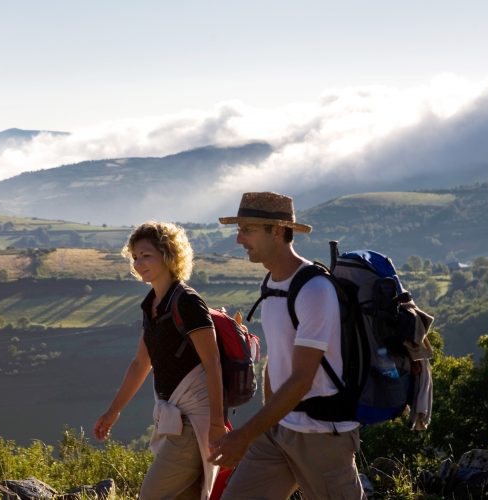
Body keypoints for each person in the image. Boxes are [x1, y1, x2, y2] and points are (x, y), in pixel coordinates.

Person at [208, 192, 365, 499]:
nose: (239, 239)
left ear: (278, 231)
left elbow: (302, 379)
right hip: (279, 430)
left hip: (321, 435)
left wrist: (245, 435)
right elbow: (276, 358)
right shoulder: (272, 284)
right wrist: (269, 422)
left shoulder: (314, 289)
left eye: (248, 230)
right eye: (239, 230)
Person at [93, 220, 227, 499]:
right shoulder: (152, 304)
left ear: (168, 255)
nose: (138, 263)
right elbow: (140, 364)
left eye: (146, 255)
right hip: (174, 421)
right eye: (135, 257)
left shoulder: (187, 302)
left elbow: (213, 363)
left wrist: (216, 425)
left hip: (193, 422)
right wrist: (112, 412)